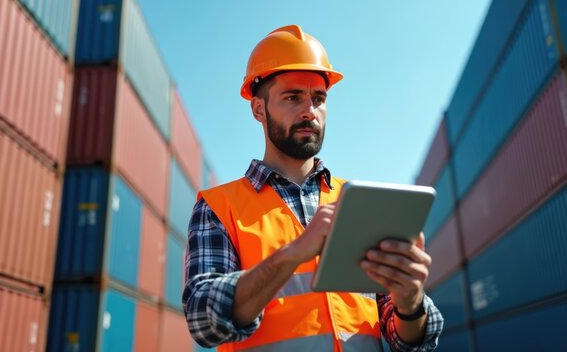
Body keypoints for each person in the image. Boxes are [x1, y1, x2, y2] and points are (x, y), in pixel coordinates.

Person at [183, 24, 444, 351]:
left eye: (318, 98)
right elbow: (203, 321)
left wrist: (410, 302)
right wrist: (292, 254)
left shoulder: (359, 202)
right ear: (258, 109)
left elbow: (411, 342)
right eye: (293, 97)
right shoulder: (219, 207)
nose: (310, 111)